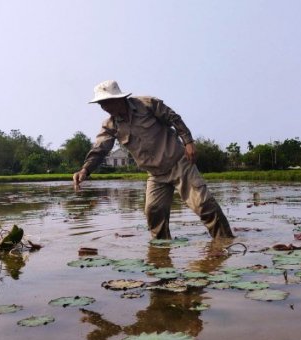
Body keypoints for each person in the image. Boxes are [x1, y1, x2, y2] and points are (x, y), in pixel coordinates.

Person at [73, 80, 233, 239]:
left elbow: (174, 118)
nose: (103, 107)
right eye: (101, 104)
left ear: (118, 99)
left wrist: (188, 141)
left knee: (204, 205)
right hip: (156, 175)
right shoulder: (110, 125)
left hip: (179, 164)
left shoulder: (147, 105)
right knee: (153, 212)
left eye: (105, 102)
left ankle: (226, 243)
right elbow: (100, 149)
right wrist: (85, 170)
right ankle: (161, 254)